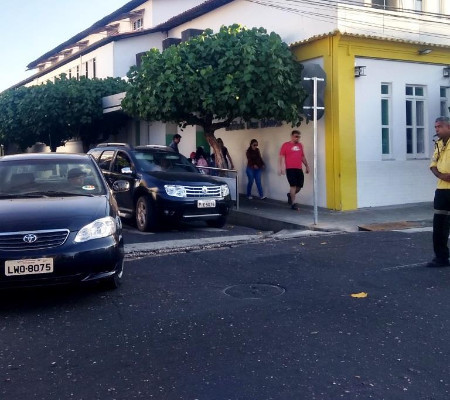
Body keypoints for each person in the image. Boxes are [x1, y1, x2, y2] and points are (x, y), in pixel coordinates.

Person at [427, 116, 450, 268]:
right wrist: (441, 175)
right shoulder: (439, 143)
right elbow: (433, 165)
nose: (437, 129)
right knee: (439, 225)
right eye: (436, 127)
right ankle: (441, 258)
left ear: (448, 127)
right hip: (442, 190)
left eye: (439, 126)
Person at [278, 130, 310, 211]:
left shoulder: (300, 145)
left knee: (299, 187)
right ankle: (293, 204)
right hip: (290, 169)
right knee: (293, 186)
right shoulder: (285, 145)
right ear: (292, 136)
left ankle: (290, 195)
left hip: (299, 168)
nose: (297, 138)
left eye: (298, 137)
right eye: (296, 136)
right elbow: (281, 156)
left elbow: (302, 156)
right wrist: (281, 167)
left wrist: (307, 166)